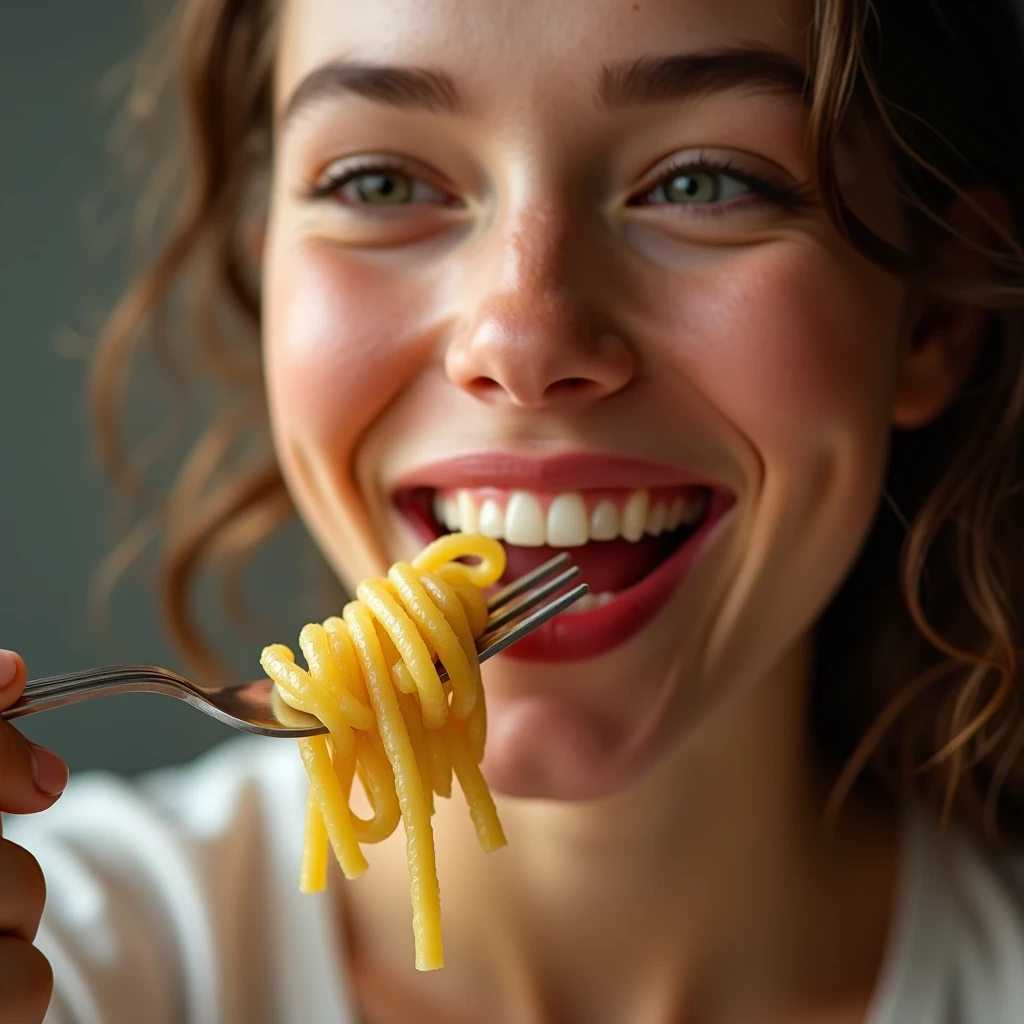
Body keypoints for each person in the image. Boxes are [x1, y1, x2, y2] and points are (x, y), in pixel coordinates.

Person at [4, 0, 1024, 1020]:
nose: (524, 339)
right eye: (382, 183)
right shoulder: (76, 961)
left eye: (700, 182)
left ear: (935, 315)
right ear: (269, 279)